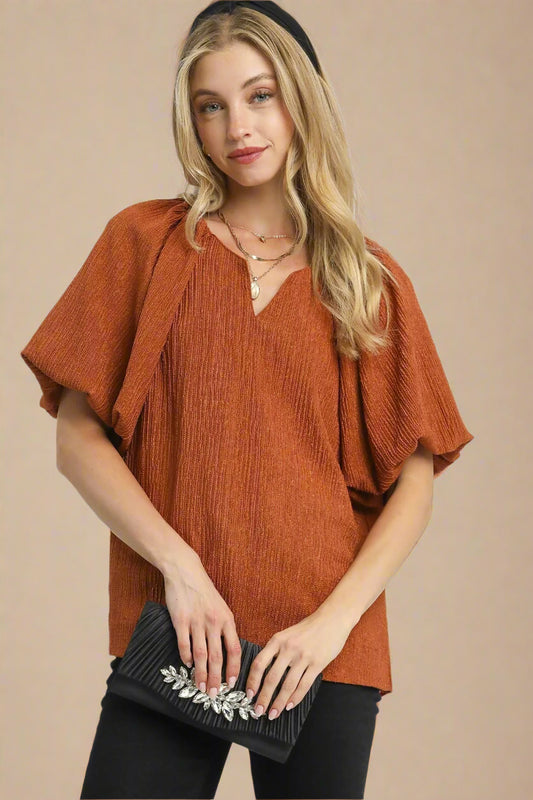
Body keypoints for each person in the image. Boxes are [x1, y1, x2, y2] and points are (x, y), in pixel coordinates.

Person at [19, 2, 475, 798]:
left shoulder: (367, 280)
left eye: (260, 95)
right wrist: (180, 568)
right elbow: (76, 433)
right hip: (179, 629)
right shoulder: (146, 243)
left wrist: (329, 628)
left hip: (320, 647)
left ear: (301, 99)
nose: (238, 126)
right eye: (211, 105)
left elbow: (415, 482)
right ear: (190, 121)